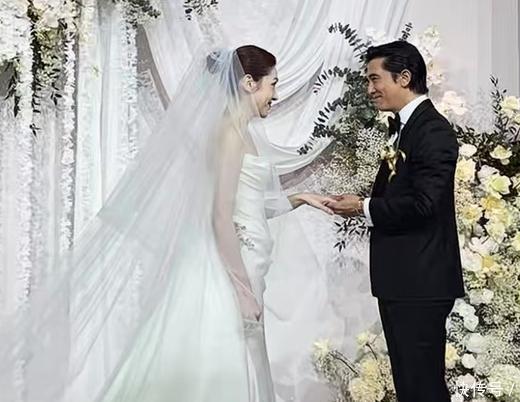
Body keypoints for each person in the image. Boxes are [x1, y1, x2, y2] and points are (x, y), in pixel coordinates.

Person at [0, 46, 332, 402]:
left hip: (244, 264)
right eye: (273, 84)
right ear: (249, 82)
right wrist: (241, 288)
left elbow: (246, 208)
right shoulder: (229, 134)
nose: (276, 94)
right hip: (227, 272)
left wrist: (301, 198)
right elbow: (221, 215)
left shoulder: (241, 132)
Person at [328, 41, 465, 402]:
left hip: (420, 282)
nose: (369, 89)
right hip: (404, 281)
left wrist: (364, 207)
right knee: (410, 386)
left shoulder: (432, 131)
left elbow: (424, 204)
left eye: (375, 79)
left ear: (404, 77)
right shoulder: (405, 128)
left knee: (423, 388)